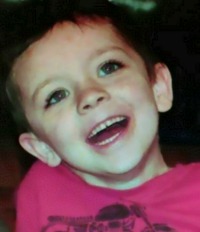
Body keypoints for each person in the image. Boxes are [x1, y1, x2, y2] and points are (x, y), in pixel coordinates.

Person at [0, 0, 200, 231]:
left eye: (109, 67)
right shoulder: (40, 188)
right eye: (56, 96)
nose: (90, 95)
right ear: (42, 148)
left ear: (159, 88)